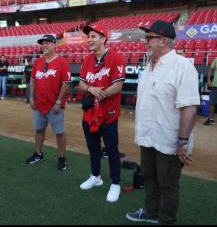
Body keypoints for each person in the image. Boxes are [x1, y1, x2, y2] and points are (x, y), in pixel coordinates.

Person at [126, 20, 200, 225]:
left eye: (149, 38)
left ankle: (166, 220)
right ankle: (151, 211)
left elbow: (190, 107)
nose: (145, 42)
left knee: (168, 184)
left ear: (163, 41)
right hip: (148, 135)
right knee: (149, 176)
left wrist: (183, 141)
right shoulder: (149, 67)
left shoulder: (182, 66)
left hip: (169, 139)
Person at [77, 24, 126, 203]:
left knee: (111, 150)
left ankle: (115, 183)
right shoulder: (87, 60)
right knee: (93, 148)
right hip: (89, 114)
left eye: (93, 36)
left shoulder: (116, 58)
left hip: (109, 114)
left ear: (104, 38)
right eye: (88, 37)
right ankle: (96, 176)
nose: (89, 40)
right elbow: (81, 83)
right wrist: (91, 88)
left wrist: (99, 93)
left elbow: (118, 86)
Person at [25, 34, 71, 171]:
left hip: (54, 105)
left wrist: (58, 101)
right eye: (42, 43)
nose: (44, 45)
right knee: (39, 130)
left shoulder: (62, 62)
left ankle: (62, 157)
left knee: (59, 132)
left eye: (47, 43)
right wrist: (32, 98)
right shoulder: (38, 62)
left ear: (54, 45)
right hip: (39, 103)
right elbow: (33, 80)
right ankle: (38, 154)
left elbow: (66, 83)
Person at [203, 56, 217, 125]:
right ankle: (210, 119)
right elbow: (210, 69)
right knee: (212, 102)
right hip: (215, 84)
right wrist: (208, 80)